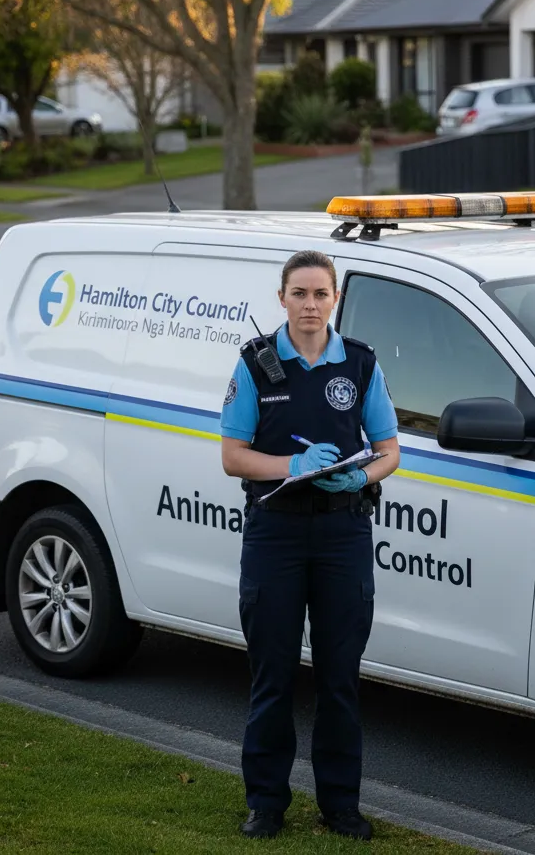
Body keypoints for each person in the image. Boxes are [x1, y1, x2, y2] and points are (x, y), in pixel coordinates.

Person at [221, 249, 400, 841]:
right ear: (282, 299)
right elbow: (233, 456)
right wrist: (291, 464)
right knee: (272, 675)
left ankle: (340, 806)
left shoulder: (361, 363)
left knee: (339, 677)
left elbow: (390, 451)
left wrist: (359, 477)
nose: (310, 305)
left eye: (321, 293)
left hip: (342, 532)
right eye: (299, 293)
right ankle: (266, 804)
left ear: (335, 299)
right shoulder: (257, 363)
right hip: (275, 532)